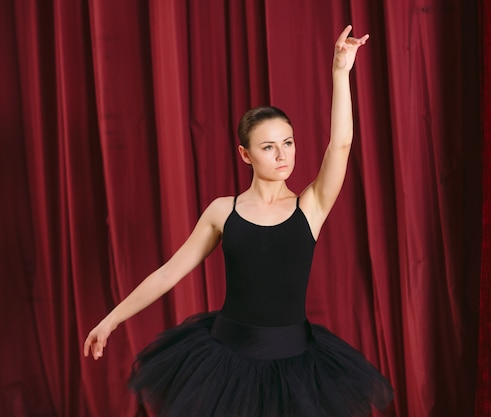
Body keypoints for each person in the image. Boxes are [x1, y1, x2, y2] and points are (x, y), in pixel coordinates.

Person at [83, 25, 393, 417]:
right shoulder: (221, 211)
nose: (283, 155)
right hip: (226, 358)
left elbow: (341, 144)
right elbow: (168, 273)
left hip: (295, 362)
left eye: (289, 143)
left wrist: (340, 72)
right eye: (268, 147)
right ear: (245, 155)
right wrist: (111, 320)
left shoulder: (310, 206)